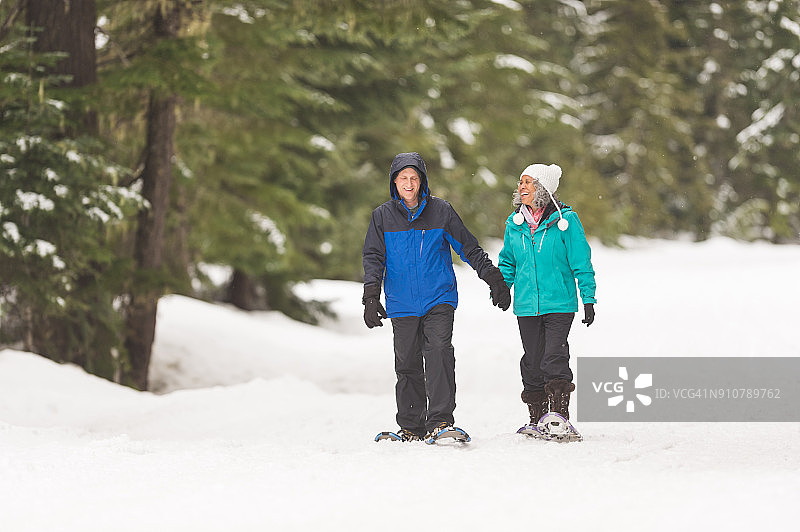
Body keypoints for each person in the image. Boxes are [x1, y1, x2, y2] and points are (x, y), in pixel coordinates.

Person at [362, 152, 511, 442]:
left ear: (422, 182)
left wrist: (493, 278)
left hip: (438, 298)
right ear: (394, 182)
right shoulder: (382, 216)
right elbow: (373, 257)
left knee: (439, 353)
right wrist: (370, 296)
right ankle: (411, 426)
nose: (409, 183)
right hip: (402, 302)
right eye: (403, 178)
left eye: (414, 178)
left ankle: (440, 421)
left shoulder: (441, 211)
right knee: (407, 363)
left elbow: (468, 248)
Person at [498, 163, 596, 430]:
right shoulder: (514, 224)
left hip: (559, 303)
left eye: (529, 182)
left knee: (554, 356)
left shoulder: (565, 221)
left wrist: (588, 298)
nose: (522, 186)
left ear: (543, 188)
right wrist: (502, 287)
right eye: (521, 181)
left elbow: (581, 261)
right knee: (532, 361)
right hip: (527, 305)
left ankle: (558, 418)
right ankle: (536, 419)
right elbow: (508, 261)